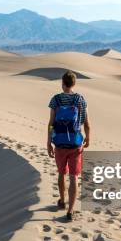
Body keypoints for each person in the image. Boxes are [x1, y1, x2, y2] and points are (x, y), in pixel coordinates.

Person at [47, 70, 91, 221]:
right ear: (74, 84)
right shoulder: (80, 99)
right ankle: (70, 211)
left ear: (63, 83)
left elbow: (51, 123)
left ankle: (62, 201)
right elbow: (87, 123)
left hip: (59, 143)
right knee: (74, 177)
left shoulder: (56, 99)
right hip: (76, 143)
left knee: (61, 173)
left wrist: (48, 142)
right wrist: (88, 137)